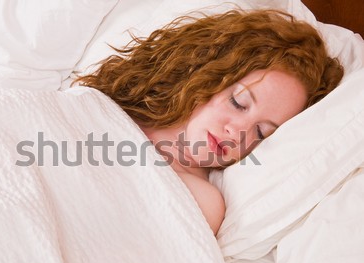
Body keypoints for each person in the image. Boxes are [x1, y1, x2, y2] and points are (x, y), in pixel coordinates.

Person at [74, 9, 344, 235]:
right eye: (238, 102)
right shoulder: (98, 106)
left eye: (260, 133)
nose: (237, 133)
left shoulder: (202, 200)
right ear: (203, 75)